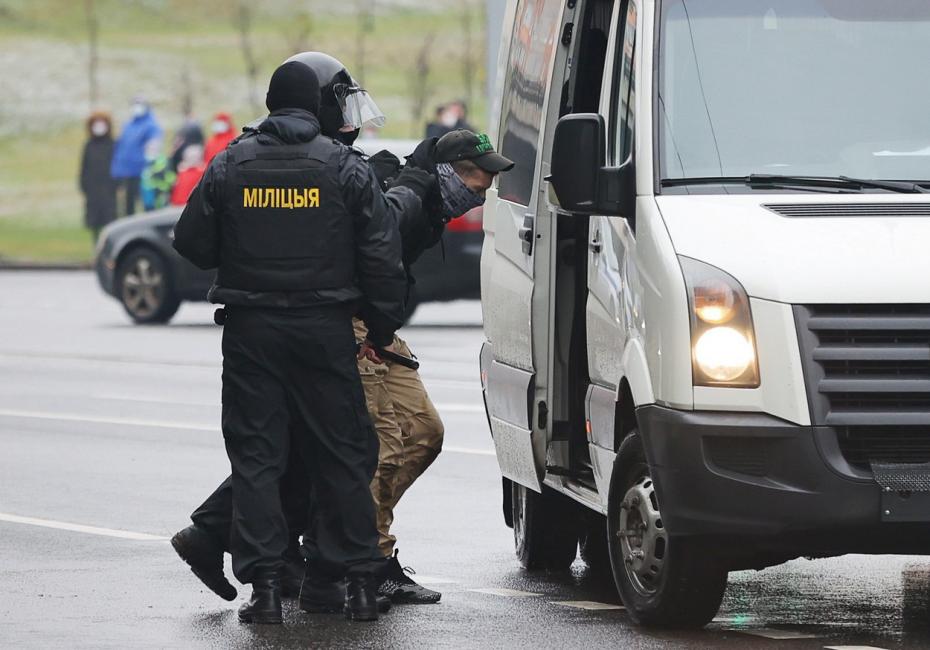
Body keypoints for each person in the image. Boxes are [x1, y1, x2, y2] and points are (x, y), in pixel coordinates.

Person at [170, 124, 513, 609]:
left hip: (366, 324)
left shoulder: (425, 199)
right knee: (367, 447)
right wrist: (367, 330)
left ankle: (216, 534)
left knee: (414, 433)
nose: (484, 191)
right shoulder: (404, 194)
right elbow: (369, 252)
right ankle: (357, 564)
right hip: (345, 324)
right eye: (480, 178)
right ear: (449, 171)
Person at [172, 55, 431, 625]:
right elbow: (381, 258)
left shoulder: (230, 162)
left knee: (259, 458)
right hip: (324, 331)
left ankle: (264, 591)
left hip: (251, 333)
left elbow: (191, 242)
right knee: (345, 454)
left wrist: (246, 249)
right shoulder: (342, 167)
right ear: (321, 103)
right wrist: (381, 327)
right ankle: (355, 582)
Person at [111, 97, 162, 216]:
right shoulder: (128, 125)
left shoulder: (151, 125)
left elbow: (154, 146)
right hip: (127, 171)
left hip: (144, 171)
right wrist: (117, 169)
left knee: (148, 202)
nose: (136, 108)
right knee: (129, 203)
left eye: (139, 104)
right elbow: (121, 147)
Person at [79, 111, 117, 242]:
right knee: (94, 222)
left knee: (109, 221)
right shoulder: (89, 145)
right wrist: (84, 186)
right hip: (93, 190)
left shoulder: (113, 145)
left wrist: (115, 185)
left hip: (108, 190)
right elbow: (84, 168)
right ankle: (96, 248)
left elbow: (118, 167)